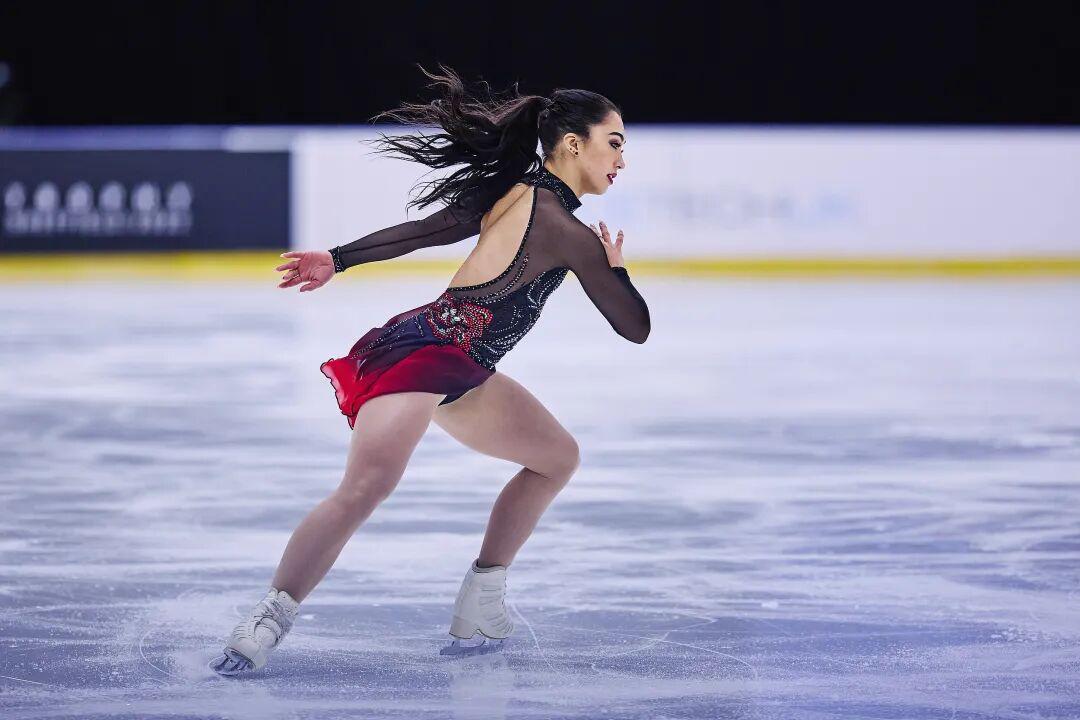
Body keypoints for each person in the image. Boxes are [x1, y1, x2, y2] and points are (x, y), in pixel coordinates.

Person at [210, 63, 649, 674]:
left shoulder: (512, 189)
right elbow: (635, 326)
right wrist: (615, 268)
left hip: (465, 368)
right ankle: (266, 619)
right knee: (366, 487)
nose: (622, 158)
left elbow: (422, 233)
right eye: (615, 142)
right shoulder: (567, 231)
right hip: (427, 357)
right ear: (574, 145)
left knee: (557, 457)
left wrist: (338, 258)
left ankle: (481, 600)